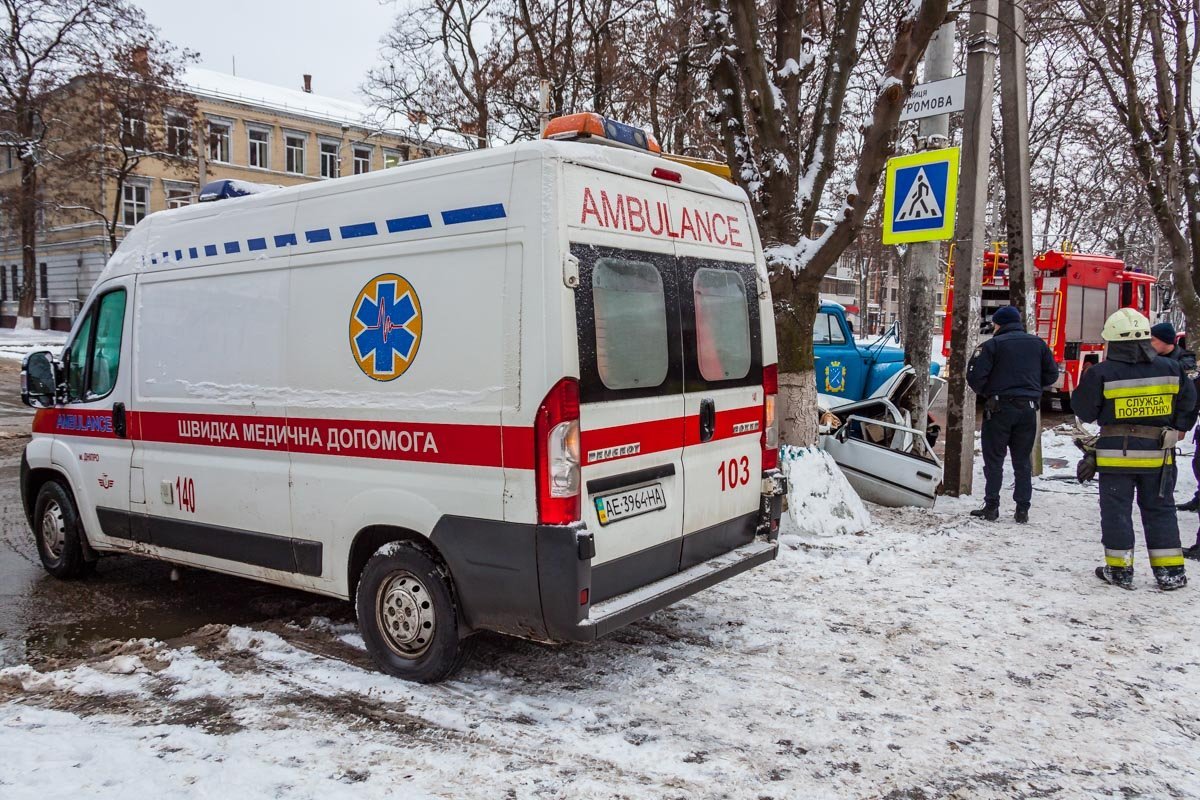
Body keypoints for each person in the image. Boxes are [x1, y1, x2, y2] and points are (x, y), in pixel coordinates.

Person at [1071, 308, 1197, 590]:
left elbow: (1084, 411)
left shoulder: (1103, 373)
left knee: (1116, 512)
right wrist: (1174, 427)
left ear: (1113, 343)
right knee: (1160, 510)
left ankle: (1120, 571)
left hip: (1116, 458)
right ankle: (1170, 573)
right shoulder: (1171, 369)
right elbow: (1189, 404)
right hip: (1159, 458)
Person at [967, 304, 1059, 523]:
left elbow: (975, 377)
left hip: (999, 409)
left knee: (994, 460)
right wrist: (1032, 389)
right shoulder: (1038, 344)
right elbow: (1052, 374)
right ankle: (1022, 509)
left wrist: (989, 392)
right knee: (1022, 461)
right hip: (1028, 409)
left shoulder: (992, 345)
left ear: (998, 324)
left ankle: (991, 507)